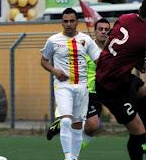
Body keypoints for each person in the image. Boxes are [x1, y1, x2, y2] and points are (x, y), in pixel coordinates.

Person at [95, 0, 146, 160]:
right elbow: (142, 50)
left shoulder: (126, 17)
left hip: (115, 74)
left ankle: (141, 133)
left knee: (145, 90)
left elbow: (124, 46)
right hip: (111, 86)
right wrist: (140, 58)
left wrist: (137, 59)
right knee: (136, 130)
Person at [40, 8, 101, 160]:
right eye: (65, 21)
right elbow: (44, 61)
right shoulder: (53, 40)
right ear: (62, 22)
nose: (68, 24)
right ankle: (68, 159)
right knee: (66, 121)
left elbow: (99, 60)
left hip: (82, 87)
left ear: (77, 22)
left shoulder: (86, 40)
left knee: (77, 124)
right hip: (63, 86)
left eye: (71, 21)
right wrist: (54, 70)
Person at [46, 18, 111, 148]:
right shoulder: (86, 47)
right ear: (95, 31)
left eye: (106, 29)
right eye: (100, 29)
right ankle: (71, 152)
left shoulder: (112, 50)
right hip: (85, 91)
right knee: (93, 124)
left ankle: (67, 134)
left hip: (101, 93)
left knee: (91, 128)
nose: (103, 32)